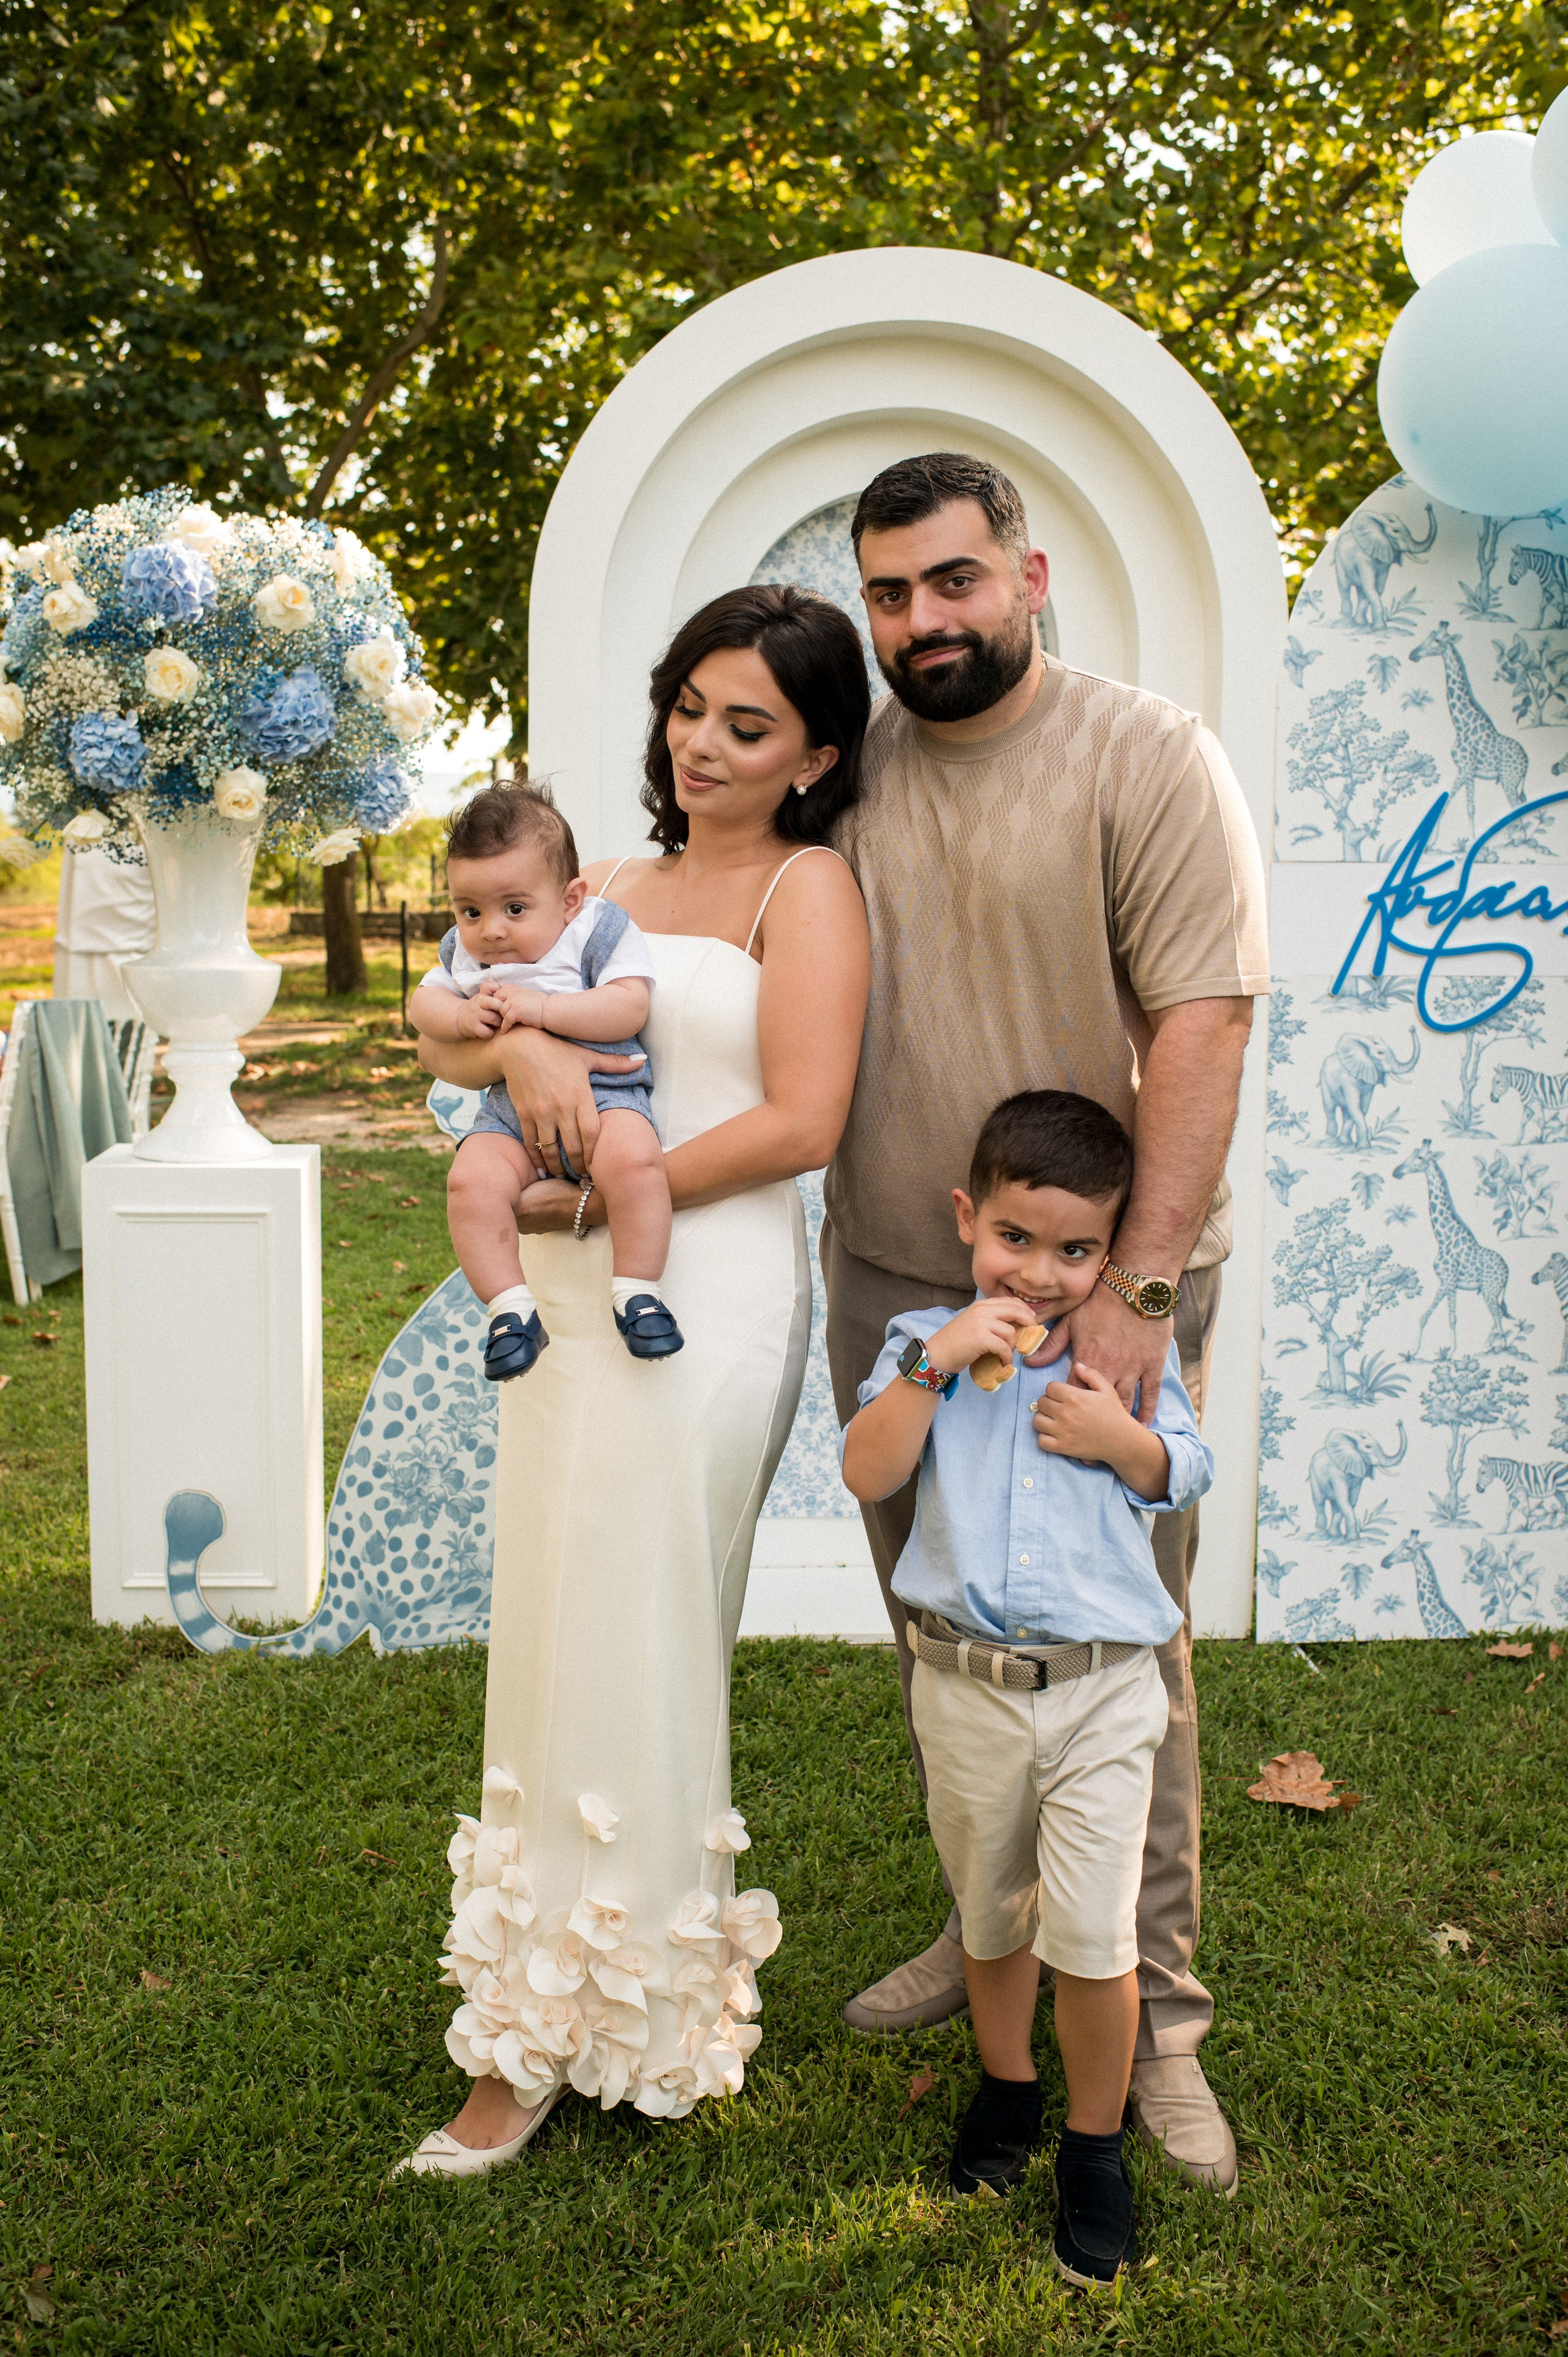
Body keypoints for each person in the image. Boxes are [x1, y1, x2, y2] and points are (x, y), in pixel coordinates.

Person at [824, 451, 1267, 2197]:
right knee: (949, 1636)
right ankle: (986, 1929)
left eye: (950, 581)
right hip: (898, 1274)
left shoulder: (1145, 755)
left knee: (1117, 1662)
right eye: (886, 594)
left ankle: (1155, 2024)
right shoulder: (846, 775)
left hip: (1108, 1285)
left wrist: (1143, 1295)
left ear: (1031, 572)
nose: (918, 622)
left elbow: (1209, 1024)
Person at [396, 584, 871, 2176]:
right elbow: (458, 1019)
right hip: (560, 1284)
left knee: (641, 1614)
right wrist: (512, 1054)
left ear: (812, 750)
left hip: (706, 1287)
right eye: (692, 709)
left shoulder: (810, 890)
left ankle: (625, 2012)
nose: (708, 745)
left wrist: (596, 1186)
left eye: (751, 724)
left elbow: (804, 1121)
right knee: (547, 1603)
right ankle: (540, 2016)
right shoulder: (602, 879)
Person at [840, 1090, 1212, 2285]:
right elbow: (867, 1467)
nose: (1041, 1273)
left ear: (1109, 1254)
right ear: (967, 1220)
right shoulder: (920, 1344)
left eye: (1073, 1250)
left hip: (1103, 1692)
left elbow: (1179, 1471)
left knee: (1093, 1936)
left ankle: (1092, 2147)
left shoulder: (1118, 1364)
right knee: (993, 1914)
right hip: (966, 1684)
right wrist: (934, 1367)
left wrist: (1120, 1440)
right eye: (1015, 1239)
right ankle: (1006, 2092)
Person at [411, 781, 683, 1381]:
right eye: (470, 910)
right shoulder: (466, 953)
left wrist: (541, 1013)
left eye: (514, 907)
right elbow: (420, 1008)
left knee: (637, 1164)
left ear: (569, 898)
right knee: (470, 1183)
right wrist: (457, 1016)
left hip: (607, 1096)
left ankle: (638, 1291)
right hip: (510, 1112)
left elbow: (627, 1007)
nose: (491, 930)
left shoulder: (595, 929)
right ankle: (510, 1308)